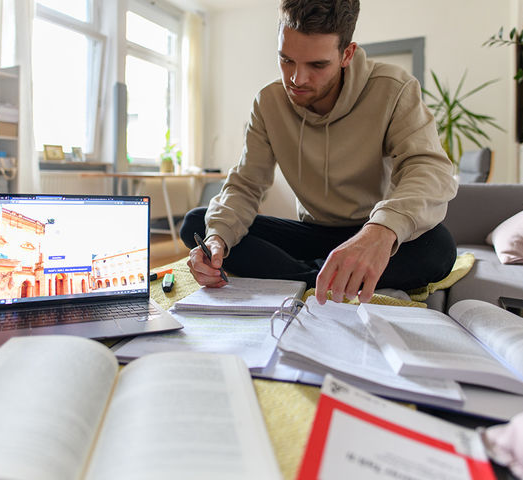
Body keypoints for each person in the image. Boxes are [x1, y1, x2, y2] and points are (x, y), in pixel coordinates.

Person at [181, 0, 458, 305]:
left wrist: (381, 231)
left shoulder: (395, 88)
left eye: (317, 65)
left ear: (347, 54)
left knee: (438, 248)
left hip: (371, 228)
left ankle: (306, 276)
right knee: (200, 223)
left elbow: (428, 169)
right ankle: (326, 275)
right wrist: (217, 241)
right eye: (286, 60)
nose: (297, 79)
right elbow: (246, 185)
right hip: (310, 234)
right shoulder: (268, 102)